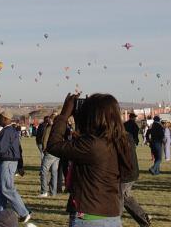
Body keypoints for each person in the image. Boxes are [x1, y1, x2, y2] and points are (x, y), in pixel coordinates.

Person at [47, 93, 136, 227]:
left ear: (95, 116)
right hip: (112, 215)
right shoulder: (121, 141)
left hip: (89, 217)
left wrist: (64, 115)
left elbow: (53, 145)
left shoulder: (93, 145)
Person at [0, 111, 30, 223]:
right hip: (7, 161)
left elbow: (1, 149)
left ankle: (24, 213)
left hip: (7, 162)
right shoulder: (9, 130)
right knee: (0, 189)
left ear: (6, 119)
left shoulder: (7, 131)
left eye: (0, 117)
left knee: (7, 188)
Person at [38, 114, 59, 198]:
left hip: (50, 152)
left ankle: (44, 191)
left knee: (43, 171)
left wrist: (44, 149)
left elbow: (45, 139)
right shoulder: (59, 128)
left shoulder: (49, 127)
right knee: (54, 172)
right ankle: (53, 192)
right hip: (57, 152)